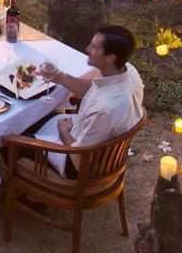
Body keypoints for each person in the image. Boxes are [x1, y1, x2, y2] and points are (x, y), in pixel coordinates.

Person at [33, 23, 145, 175]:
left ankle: (30, 186)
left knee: (7, 140)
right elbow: (93, 89)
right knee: (32, 118)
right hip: (83, 131)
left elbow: (79, 158)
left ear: (110, 58)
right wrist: (59, 77)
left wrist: (63, 131)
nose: (87, 49)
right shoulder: (127, 71)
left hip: (77, 164)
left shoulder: (104, 110)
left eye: (94, 47)